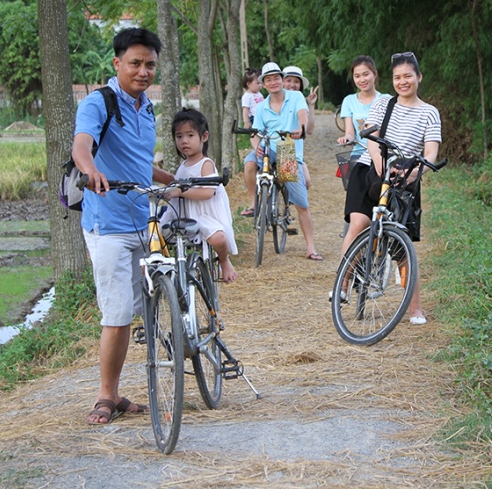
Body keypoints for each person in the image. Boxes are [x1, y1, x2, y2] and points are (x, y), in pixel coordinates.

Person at [71, 27, 175, 424]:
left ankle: (117, 392)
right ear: (117, 64)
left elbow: (138, 165)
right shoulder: (99, 103)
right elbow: (82, 145)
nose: (143, 71)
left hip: (144, 221)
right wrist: (91, 169)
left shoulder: (146, 107)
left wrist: (176, 179)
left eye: (150, 64)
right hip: (109, 225)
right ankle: (105, 396)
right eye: (135, 63)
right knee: (116, 316)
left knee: (141, 309)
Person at [340, 52, 441, 324]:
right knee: (359, 223)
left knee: (402, 243)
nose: (402, 82)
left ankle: (415, 308)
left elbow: (431, 151)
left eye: (408, 76)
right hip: (371, 168)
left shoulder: (430, 112)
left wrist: (414, 173)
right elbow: (372, 138)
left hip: (405, 176)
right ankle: (343, 282)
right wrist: (381, 164)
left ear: (419, 77)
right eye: (397, 77)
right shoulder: (383, 102)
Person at [243, 61, 323, 260]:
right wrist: (257, 147)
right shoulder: (261, 107)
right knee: (249, 162)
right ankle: (255, 202)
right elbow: (255, 132)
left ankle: (310, 247)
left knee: (301, 202)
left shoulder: (295, 97)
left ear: (281, 79)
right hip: (268, 147)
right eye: (268, 79)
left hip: (288, 149)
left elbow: (302, 116)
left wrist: (301, 130)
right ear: (264, 83)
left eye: (276, 78)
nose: (273, 82)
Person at [161, 108, 238, 283]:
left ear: (204, 137)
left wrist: (181, 191)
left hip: (204, 214)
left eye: (190, 135)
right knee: (156, 233)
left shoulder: (206, 164)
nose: (184, 141)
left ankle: (224, 261)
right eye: (179, 136)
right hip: (185, 214)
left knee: (218, 238)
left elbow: (208, 192)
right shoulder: (183, 166)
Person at [336, 55, 386, 158]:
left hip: (382, 155)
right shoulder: (349, 101)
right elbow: (350, 133)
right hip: (359, 155)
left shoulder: (386, 100)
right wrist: (346, 139)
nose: (362, 80)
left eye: (366, 74)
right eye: (357, 76)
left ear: (375, 74)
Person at [282, 65, 318, 190]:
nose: (292, 84)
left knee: (306, 182)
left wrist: (311, 105)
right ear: (282, 82)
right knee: (294, 182)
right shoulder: (274, 100)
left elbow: (310, 130)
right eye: (289, 80)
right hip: (283, 149)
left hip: (296, 153)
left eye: (296, 81)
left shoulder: (299, 100)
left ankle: (286, 205)